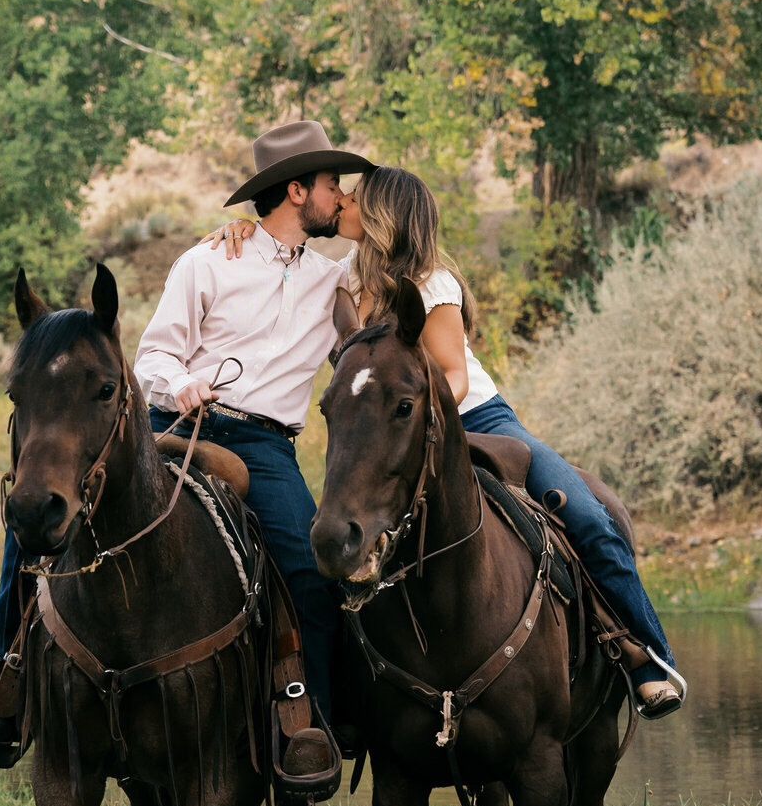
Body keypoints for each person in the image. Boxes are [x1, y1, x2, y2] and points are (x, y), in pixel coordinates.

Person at [0, 120, 370, 785]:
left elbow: (396, 244)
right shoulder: (206, 261)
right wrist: (182, 382)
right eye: (332, 185)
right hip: (173, 427)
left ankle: (306, 723)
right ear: (297, 190)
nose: (341, 198)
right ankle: (9, 691)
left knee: (308, 567)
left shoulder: (336, 282)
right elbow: (152, 353)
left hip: (265, 445)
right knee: (35, 522)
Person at [224, 164, 685, 716]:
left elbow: (454, 374)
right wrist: (241, 232)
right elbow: (284, 256)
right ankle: (353, 694)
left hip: (476, 421)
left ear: (381, 217)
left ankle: (649, 658)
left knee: (584, 513)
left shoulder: (431, 283)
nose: (341, 201)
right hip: (390, 437)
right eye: (340, 193)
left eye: (353, 197)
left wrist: (421, 416)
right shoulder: (342, 279)